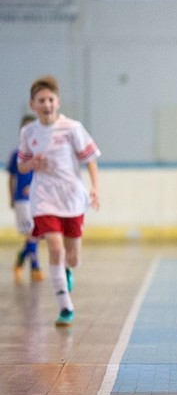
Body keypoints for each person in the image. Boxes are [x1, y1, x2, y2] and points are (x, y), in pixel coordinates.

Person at [17, 76, 101, 326]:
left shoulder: (72, 128)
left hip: (72, 197)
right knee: (55, 248)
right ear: (33, 104)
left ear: (58, 102)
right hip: (44, 198)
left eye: (51, 99)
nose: (47, 104)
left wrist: (95, 188)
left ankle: (68, 269)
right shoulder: (28, 132)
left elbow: (90, 159)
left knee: (72, 256)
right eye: (41, 100)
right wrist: (31, 164)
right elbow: (21, 165)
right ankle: (65, 306)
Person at [8, 114, 44, 284]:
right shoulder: (16, 154)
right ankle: (35, 266)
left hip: (37, 199)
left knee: (36, 232)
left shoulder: (40, 154)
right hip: (22, 199)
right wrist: (12, 197)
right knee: (31, 232)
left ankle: (21, 258)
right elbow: (12, 178)